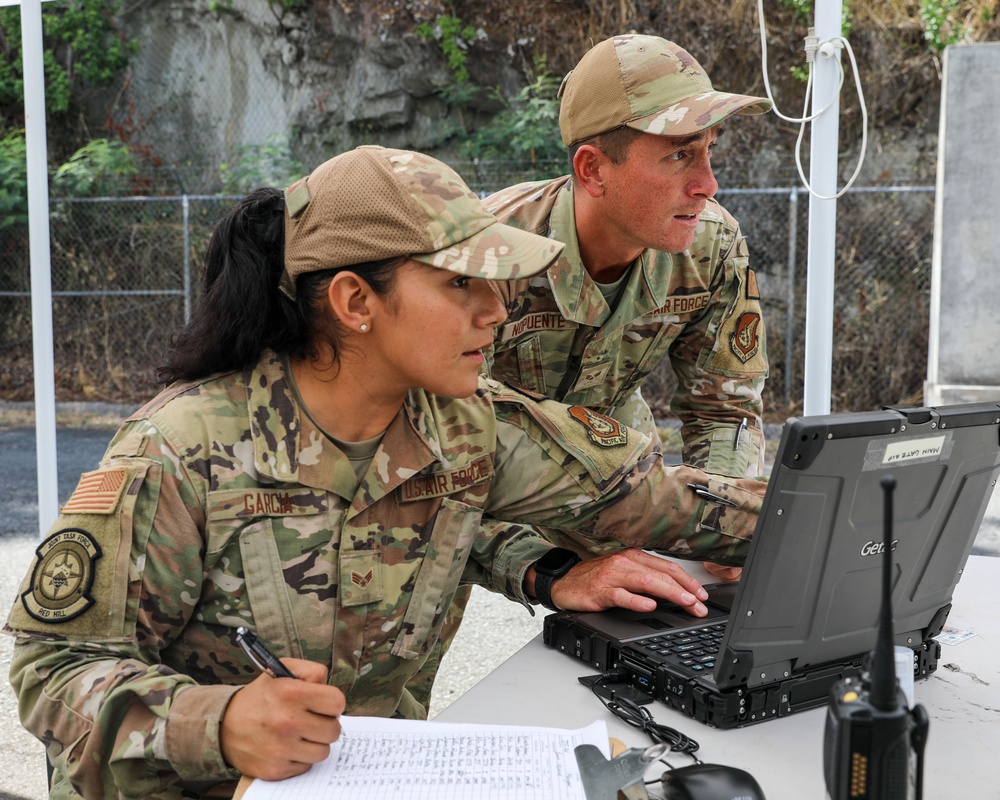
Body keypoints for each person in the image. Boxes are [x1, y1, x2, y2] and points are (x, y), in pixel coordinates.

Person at [5, 146, 764, 800]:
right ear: (354, 301)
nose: (497, 310)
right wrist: (220, 723)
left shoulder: (466, 426)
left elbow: (656, 501)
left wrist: (861, 519)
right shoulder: (183, 451)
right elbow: (51, 666)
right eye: (461, 283)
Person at [485, 33, 773, 480]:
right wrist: (540, 554)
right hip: (495, 491)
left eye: (709, 149)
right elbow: (440, 436)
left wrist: (723, 522)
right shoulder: (488, 253)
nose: (708, 184)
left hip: (620, 472)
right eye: (680, 153)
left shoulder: (710, 245)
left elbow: (724, 411)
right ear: (593, 170)